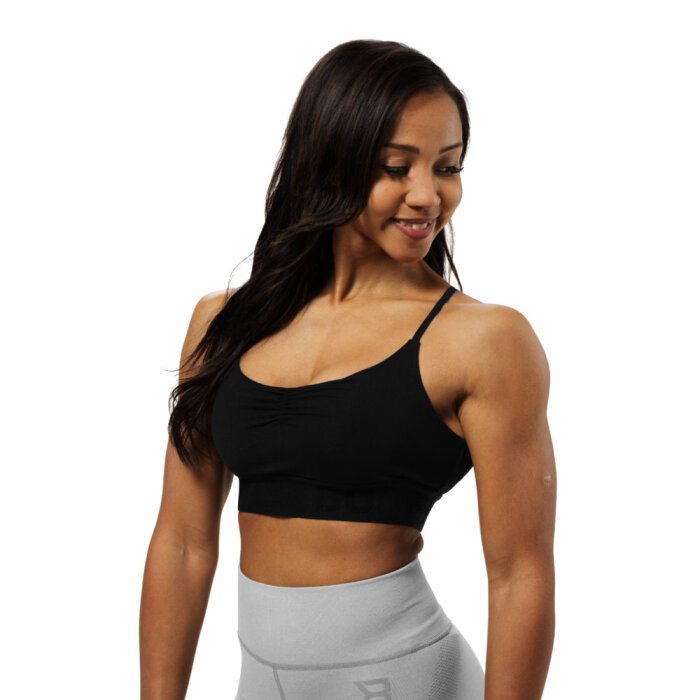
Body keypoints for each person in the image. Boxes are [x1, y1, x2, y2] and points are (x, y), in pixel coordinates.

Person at [139, 39, 556, 700]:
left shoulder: (484, 340)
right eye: (396, 167)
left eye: (447, 167)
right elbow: (182, 543)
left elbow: (519, 574)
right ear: (329, 161)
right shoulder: (224, 323)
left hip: (406, 679)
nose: (428, 196)